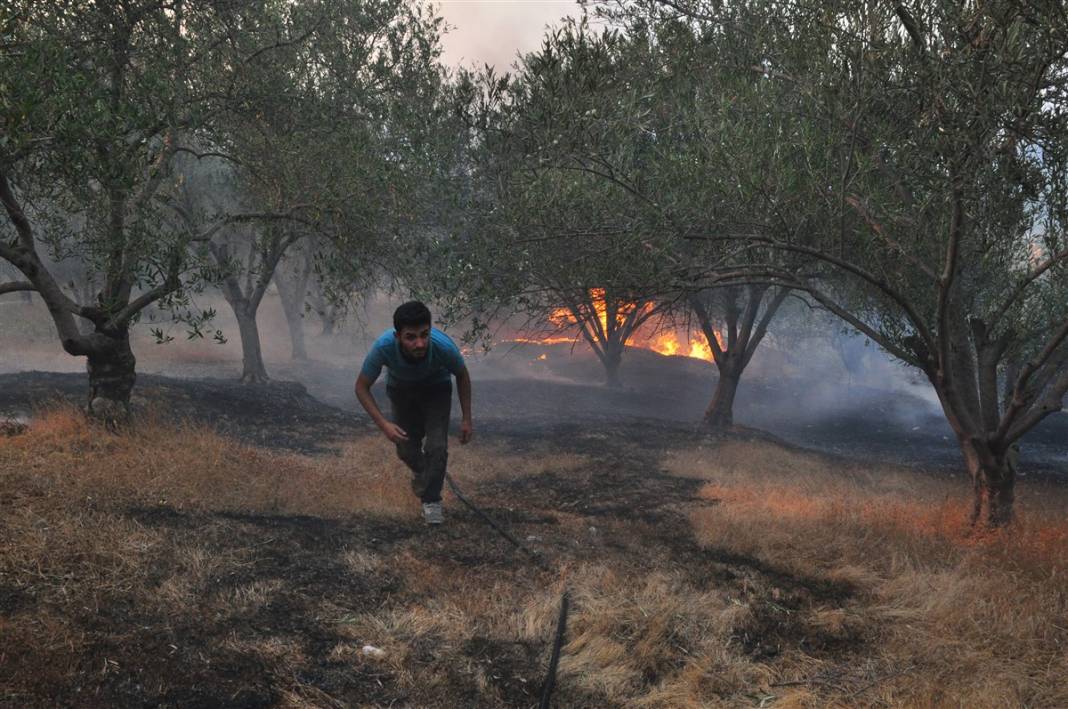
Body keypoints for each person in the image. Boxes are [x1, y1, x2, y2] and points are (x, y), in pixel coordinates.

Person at [354, 301, 473, 525]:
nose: (420, 343)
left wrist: (467, 419)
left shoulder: (443, 347)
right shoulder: (383, 347)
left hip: (437, 389)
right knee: (406, 448)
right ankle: (424, 473)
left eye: (424, 334)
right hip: (401, 391)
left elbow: (462, 375)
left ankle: (431, 503)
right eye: (411, 337)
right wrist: (384, 424)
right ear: (398, 336)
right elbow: (361, 387)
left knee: (437, 447)